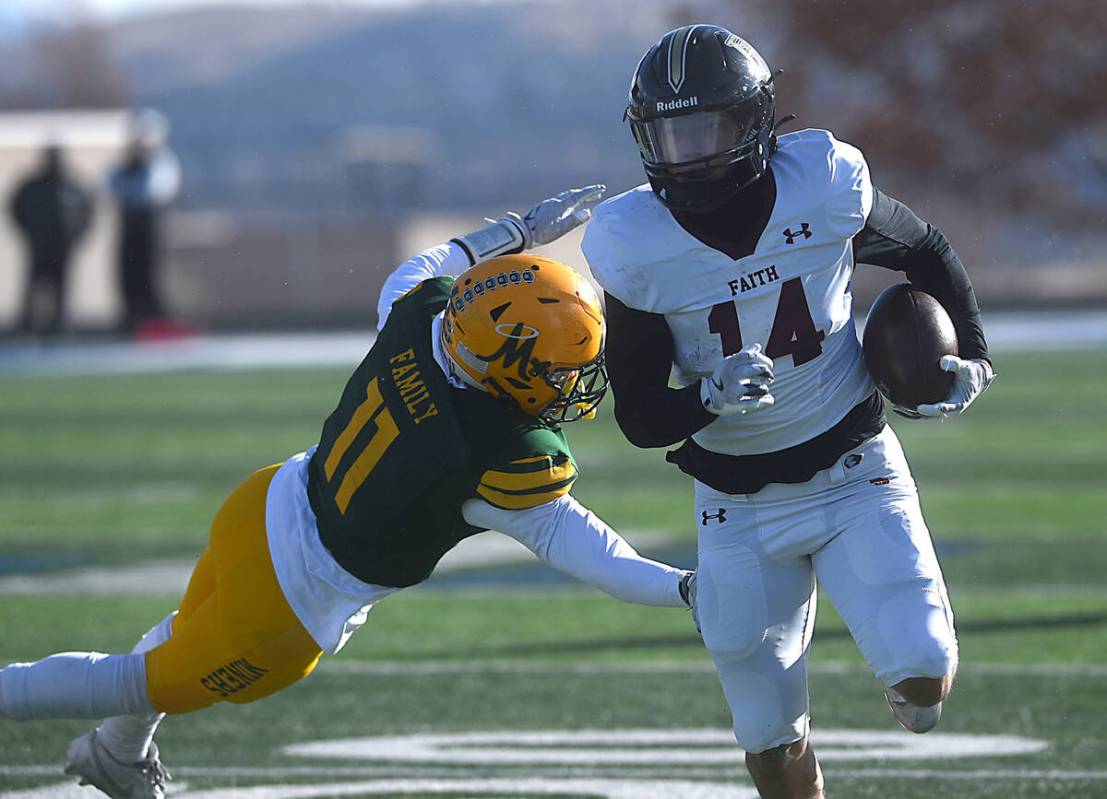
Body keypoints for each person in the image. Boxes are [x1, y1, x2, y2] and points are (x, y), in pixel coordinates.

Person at [0, 185, 696, 799]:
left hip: (266, 498)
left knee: (177, 637)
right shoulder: (500, 454)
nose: (570, 386)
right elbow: (595, 553)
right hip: (289, 603)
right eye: (558, 370)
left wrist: (514, 231)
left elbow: (425, 267)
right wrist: (683, 588)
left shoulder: (422, 318)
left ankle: (118, 755)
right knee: (141, 679)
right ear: (506, 361)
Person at [582, 25, 995, 799]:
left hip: (851, 469)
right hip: (733, 506)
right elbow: (636, 413)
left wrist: (972, 349)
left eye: (707, 129)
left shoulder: (821, 185)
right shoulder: (634, 242)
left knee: (923, 678)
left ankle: (899, 676)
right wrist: (704, 396)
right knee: (770, 743)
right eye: (671, 134)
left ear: (755, 123)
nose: (691, 153)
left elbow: (923, 248)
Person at [108, 110, 181, 332]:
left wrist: (141, 174)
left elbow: (158, 189)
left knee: (150, 271)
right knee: (128, 273)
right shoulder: (124, 165)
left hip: (150, 223)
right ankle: (130, 317)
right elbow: (112, 185)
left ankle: (154, 317)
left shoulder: (162, 163)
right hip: (129, 223)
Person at [9, 144, 92, 335]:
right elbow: (15, 209)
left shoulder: (72, 185)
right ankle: (27, 324)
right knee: (35, 285)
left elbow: (88, 212)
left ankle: (60, 324)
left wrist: (76, 237)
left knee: (62, 285)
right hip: (38, 245)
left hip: (63, 247)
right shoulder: (31, 186)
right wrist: (28, 233)